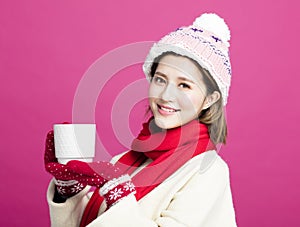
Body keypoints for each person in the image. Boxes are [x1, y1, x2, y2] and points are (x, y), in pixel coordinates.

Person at [44, 13, 237, 226]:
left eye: (184, 85)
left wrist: (119, 195)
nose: (166, 95)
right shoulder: (125, 160)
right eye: (160, 79)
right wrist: (68, 191)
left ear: (210, 99)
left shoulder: (207, 171)